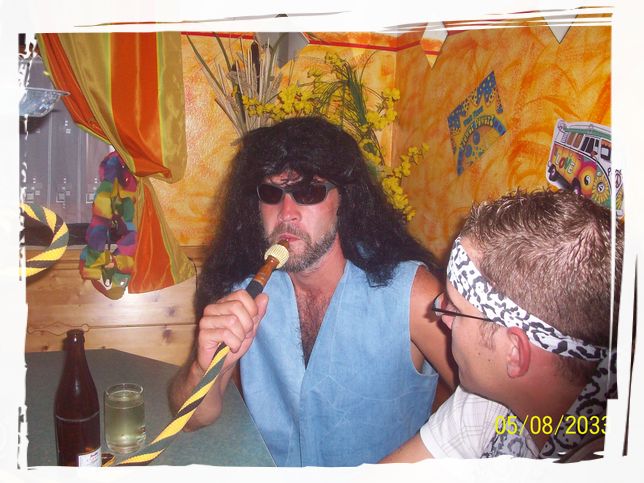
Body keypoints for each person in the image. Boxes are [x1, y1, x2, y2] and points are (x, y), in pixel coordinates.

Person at [168, 117, 457, 483]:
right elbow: (192, 419)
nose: (286, 212)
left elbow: (494, 410)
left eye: (308, 192)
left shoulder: (411, 295)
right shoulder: (243, 293)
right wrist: (203, 366)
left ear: (344, 200)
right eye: (271, 193)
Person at [352, 188, 644, 483]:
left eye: (456, 309)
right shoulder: (494, 394)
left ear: (514, 352)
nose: (439, 310)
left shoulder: (614, 469)